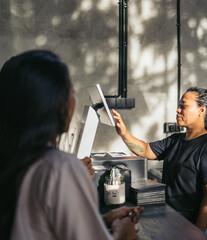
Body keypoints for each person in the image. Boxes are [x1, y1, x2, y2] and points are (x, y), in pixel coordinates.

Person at [0, 50, 143, 240]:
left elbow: (34, 225)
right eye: (71, 92)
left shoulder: (12, 159)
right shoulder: (59, 168)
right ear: (55, 104)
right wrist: (124, 235)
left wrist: (101, 220)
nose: (73, 101)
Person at [112, 87, 207, 239]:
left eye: (183, 106)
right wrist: (123, 133)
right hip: (178, 224)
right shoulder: (176, 140)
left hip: (202, 228)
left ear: (201, 110)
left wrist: (197, 233)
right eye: (179, 106)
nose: (178, 110)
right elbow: (146, 149)